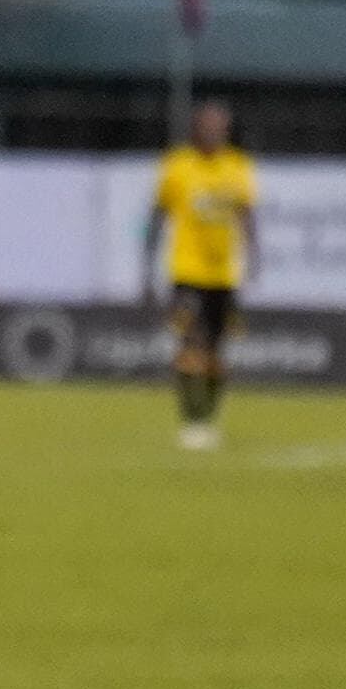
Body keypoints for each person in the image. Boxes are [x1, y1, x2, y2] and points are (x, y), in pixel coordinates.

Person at [147, 97, 258, 450]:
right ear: (197, 128)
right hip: (187, 270)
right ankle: (191, 420)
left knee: (216, 353)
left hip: (223, 275)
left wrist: (254, 254)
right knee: (189, 342)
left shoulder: (238, 166)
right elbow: (158, 214)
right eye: (209, 125)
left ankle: (208, 418)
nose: (215, 131)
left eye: (220, 126)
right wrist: (146, 264)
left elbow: (246, 214)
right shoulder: (177, 165)